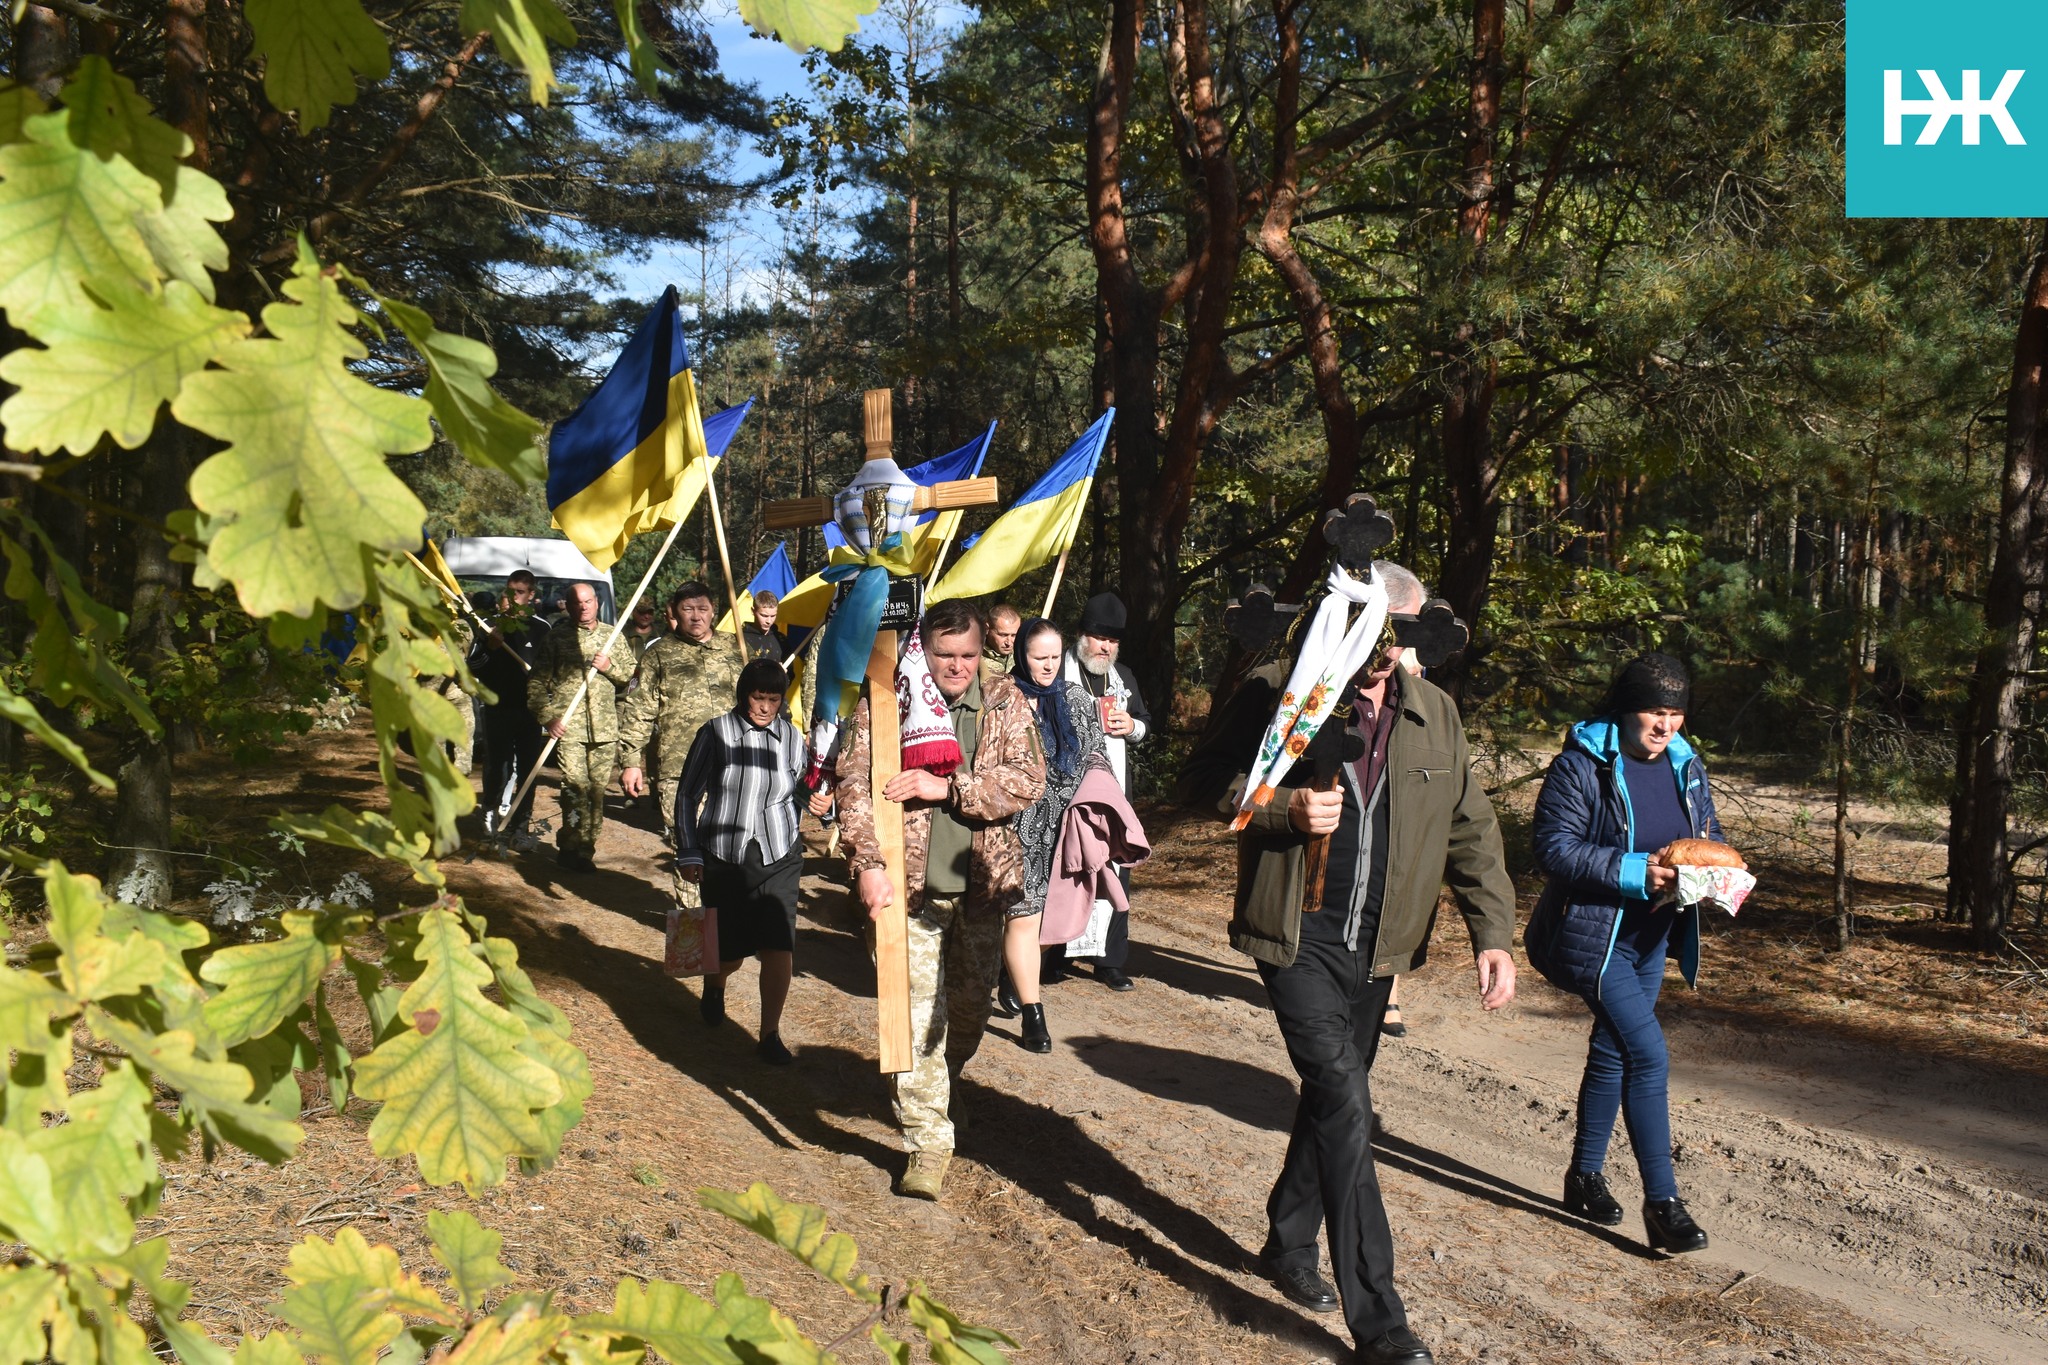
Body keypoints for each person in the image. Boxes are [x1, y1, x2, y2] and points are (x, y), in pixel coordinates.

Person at [1183, 560, 1517, 1365]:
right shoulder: (1282, 688)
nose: (1387, 656)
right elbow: (1203, 783)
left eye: (1397, 641)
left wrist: (1493, 933)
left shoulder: (1435, 712)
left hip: (1380, 945)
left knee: (1335, 1098)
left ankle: (1289, 1240)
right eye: (1375, 636)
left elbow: (1469, 825)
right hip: (1298, 931)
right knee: (1345, 1097)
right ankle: (1381, 1321)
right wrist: (1279, 806)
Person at [836, 600, 1047, 1199]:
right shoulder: (887, 698)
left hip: (982, 888)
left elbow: (1029, 780)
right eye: (944, 654)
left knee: (968, 1014)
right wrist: (868, 866)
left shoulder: (1005, 700)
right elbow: (854, 784)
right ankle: (927, 1141)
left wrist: (947, 786)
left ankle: (941, 1086)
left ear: (984, 652)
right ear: (922, 650)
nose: (956, 667)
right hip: (909, 891)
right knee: (913, 1018)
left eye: (968, 655)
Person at [1523, 653, 1722, 1256]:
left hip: (1652, 936)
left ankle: (1584, 1177)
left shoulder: (1688, 767)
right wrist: (1637, 871)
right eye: (1654, 713)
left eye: (1676, 714)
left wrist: (1704, 869)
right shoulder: (1582, 766)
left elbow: (1704, 833)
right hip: (1593, 933)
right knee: (1648, 1054)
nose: (1665, 726)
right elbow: (1554, 849)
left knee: (1612, 1051)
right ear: (1626, 710)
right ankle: (1663, 1204)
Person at [675, 659, 810, 1065]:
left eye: (774, 699)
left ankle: (770, 1034)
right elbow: (686, 794)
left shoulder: (791, 737)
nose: (765, 707)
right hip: (725, 854)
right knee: (728, 951)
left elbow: (800, 790)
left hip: (779, 852)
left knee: (778, 945)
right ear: (742, 695)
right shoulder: (716, 733)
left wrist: (819, 801)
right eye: (758, 697)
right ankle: (715, 985)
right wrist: (689, 850)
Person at [1000, 618, 1108, 1052]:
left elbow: (1096, 753)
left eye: (1054, 658)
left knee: (1049, 922)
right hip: (1015, 826)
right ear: (1020, 655)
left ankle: (1017, 976)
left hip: (1065, 828)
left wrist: (1102, 805)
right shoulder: (1003, 697)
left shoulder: (1078, 699)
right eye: (1037, 657)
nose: (1047, 666)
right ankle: (1034, 1015)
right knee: (1023, 915)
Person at [1056, 591, 1151, 989]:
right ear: (1081, 635)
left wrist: (1131, 727)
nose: (1105, 646)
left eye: (1112, 640)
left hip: (1113, 791)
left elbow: (1145, 723)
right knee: (1063, 868)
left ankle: (1109, 960)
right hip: (1067, 787)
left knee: (1115, 868)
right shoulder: (1057, 668)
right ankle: (1053, 953)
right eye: (1099, 637)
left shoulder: (1123, 676)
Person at [618, 583, 748, 840]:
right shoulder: (658, 655)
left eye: (703, 608)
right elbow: (638, 709)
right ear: (675, 614)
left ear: (713, 612)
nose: (696, 616)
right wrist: (631, 762)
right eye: (687, 609)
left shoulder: (737, 648)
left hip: (734, 763)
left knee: (731, 844)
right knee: (687, 843)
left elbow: (760, 701)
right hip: (680, 767)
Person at [528, 582, 635, 872]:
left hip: (604, 729)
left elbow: (630, 677)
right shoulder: (557, 637)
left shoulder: (612, 636)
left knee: (596, 793)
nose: (583, 607)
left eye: (588, 601)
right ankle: (569, 845)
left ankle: (586, 850)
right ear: (568, 605)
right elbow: (537, 681)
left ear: (597, 603)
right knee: (574, 789)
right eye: (577, 603)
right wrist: (548, 716)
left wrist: (609, 667)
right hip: (570, 727)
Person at [477, 571, 547, 845]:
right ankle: (490, 811)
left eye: (519, 592)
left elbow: (551, 669)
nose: (511, 597)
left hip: (530, 711)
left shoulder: (542, 629)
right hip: (497, 708)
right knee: (499, 766)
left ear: (531, 596)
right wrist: (492, 648)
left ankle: (521, 825)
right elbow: (473, 667)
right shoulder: (489, 627)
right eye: (508, 591)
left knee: (528, 770)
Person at [980, 603, 1021, 682]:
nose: (1009, 642)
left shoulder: (1022, 656)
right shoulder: (974, 657)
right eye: (1003, 635)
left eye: (1014, 635)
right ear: (987, 629)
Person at [744, 590, 786, 664]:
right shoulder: (741, 638)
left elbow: (791, 673)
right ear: (753, 611)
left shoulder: (781, 639)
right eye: (764, 616)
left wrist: (782, 673)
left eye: (773, 616)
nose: (769, 621)